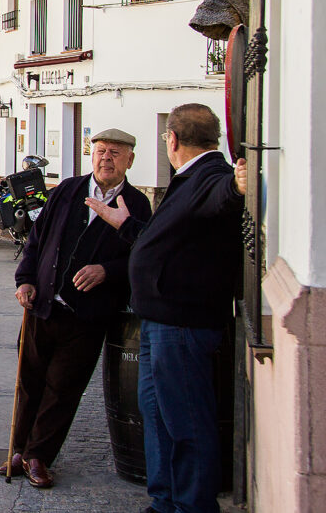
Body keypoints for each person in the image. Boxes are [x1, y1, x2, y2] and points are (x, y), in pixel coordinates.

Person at [88, 105, 246, 513]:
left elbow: (223, 198)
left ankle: (193, 506)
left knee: (186, 421)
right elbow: (167, 242)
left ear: (172, 139)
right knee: (157, 416)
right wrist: (123, 224)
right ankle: (164, 501)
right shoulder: (188, 179)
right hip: (160, 321)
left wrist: (240, 186)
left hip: (182, 323)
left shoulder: (210, 177)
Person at [1, 128, 153, 489]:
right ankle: (18, 450)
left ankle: (39, 456)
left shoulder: (136, 204)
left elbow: (143, 258)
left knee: (62, 389)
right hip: (42, 307)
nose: (106, 158)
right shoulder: (68, 191)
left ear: (130, 160)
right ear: (91, 154)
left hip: (87, 316)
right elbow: (37, 241)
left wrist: (107, 271)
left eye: (115, 153)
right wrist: (24, 280)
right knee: (29, 383)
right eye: (101, 151)